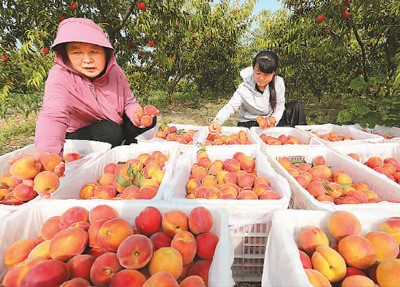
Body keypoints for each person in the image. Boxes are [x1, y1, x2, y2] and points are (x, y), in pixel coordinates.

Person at [34, 18, 156, 156]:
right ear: (66, 55)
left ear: (106, 53)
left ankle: (125, 150)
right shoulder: (60, 75)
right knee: (110, 132)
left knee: (149, 121)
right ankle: (117, 143)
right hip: (81, 131)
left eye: (94, 52)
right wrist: (48, 155)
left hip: (113, 122)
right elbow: (53, 115)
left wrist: (138, 115)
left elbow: (129, 101)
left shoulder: (115, 71)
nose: (87, 60)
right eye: (77, 53)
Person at [209, 50, 306, 132]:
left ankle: (304, 137)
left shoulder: (279, 83)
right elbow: (230, 107)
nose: (261, 78)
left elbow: (280, 105)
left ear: (273, 74)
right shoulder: (244, 88)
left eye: (266, 75)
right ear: (253, 69)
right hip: (250, 122)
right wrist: (217, 121)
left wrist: (273, 120)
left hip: (270, 118)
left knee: (295, 107)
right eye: (258, 73)